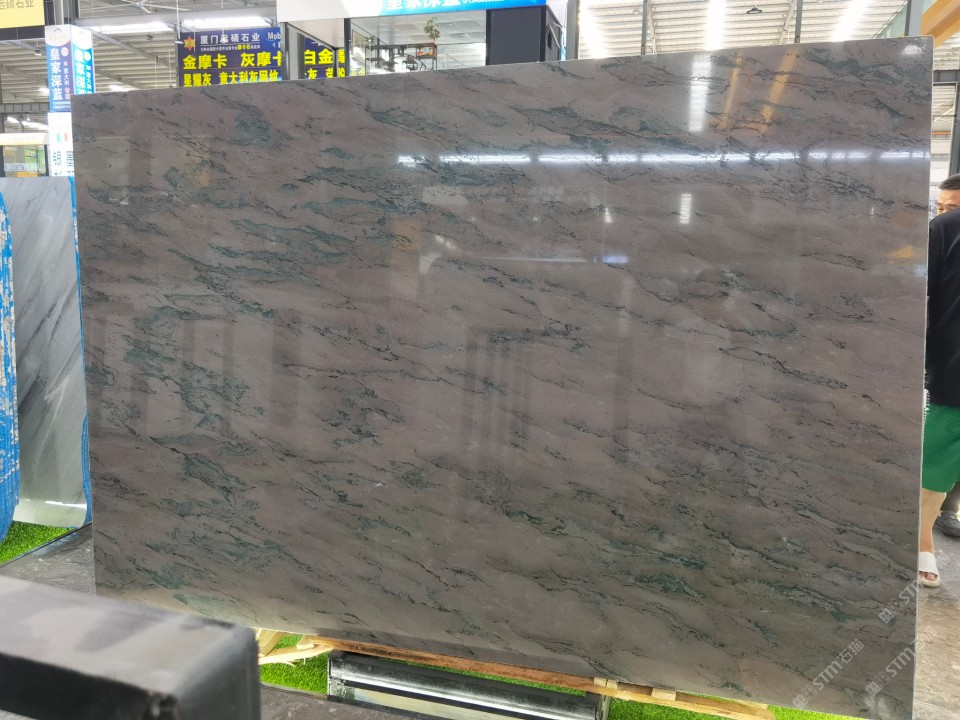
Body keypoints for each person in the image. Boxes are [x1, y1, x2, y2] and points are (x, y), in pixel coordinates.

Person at [919, 175, 960, 587]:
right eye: (942, 207)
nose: (945, 213)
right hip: (954, 373)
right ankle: (922, 539)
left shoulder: (943, 228)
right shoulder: (945, 230)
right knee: (937, 459)